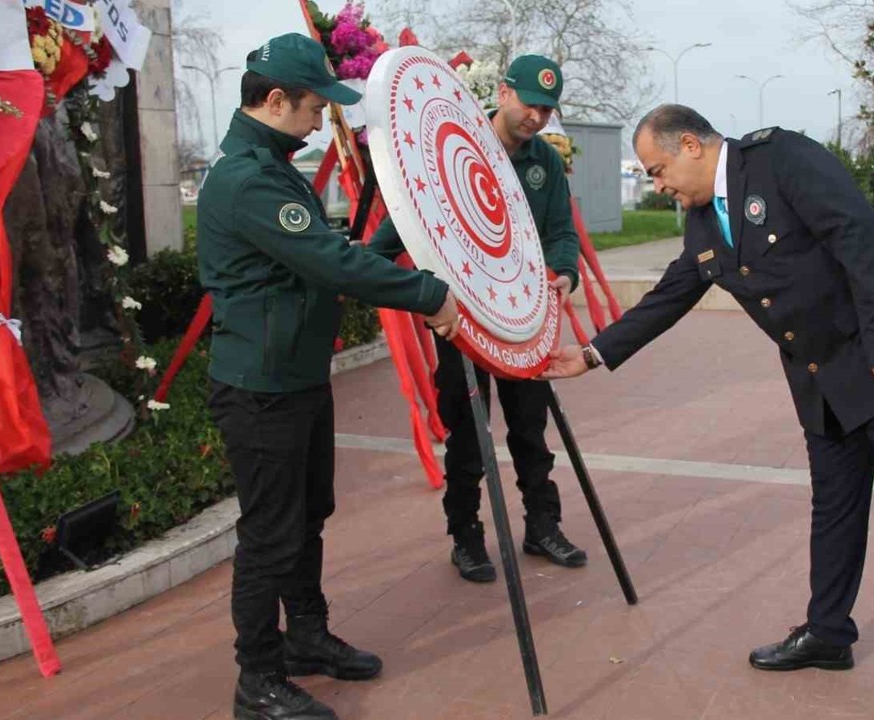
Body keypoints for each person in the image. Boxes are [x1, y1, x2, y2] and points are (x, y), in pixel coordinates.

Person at [541, 104, 874, 720]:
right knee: (835, 507)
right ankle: (828, 633)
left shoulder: (782, 159)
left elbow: (857, 234)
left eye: (659, 171)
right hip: (820, 374)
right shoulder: (702, 220)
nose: (658, 186)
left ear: (691, 145)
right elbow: (672, 295)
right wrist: (592, 354)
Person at [197, 33, 460, 720]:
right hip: (262, 389)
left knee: (307, 518)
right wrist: (428, 295)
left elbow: (323, 257)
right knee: (269, 535)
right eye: (314, 108)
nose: (320, 122)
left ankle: (305, 639)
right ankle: (257, 678)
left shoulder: (274, 168)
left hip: (295, 379)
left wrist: (389, 240)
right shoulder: (249, 178)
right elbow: (327, 264)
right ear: (275, 99)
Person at [371, 55, 586, 583]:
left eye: (547, 109)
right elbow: (414, 211)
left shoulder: (546, 164)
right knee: (467, 435)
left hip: (526, 319)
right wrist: (367, 261)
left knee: (531, 431)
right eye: (531, 104)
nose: (537, 117)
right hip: (461, 318)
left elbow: (561, 231)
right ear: (505, 91)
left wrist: (564, 273)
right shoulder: (454, 141)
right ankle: (466, 538)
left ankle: (543, 526)